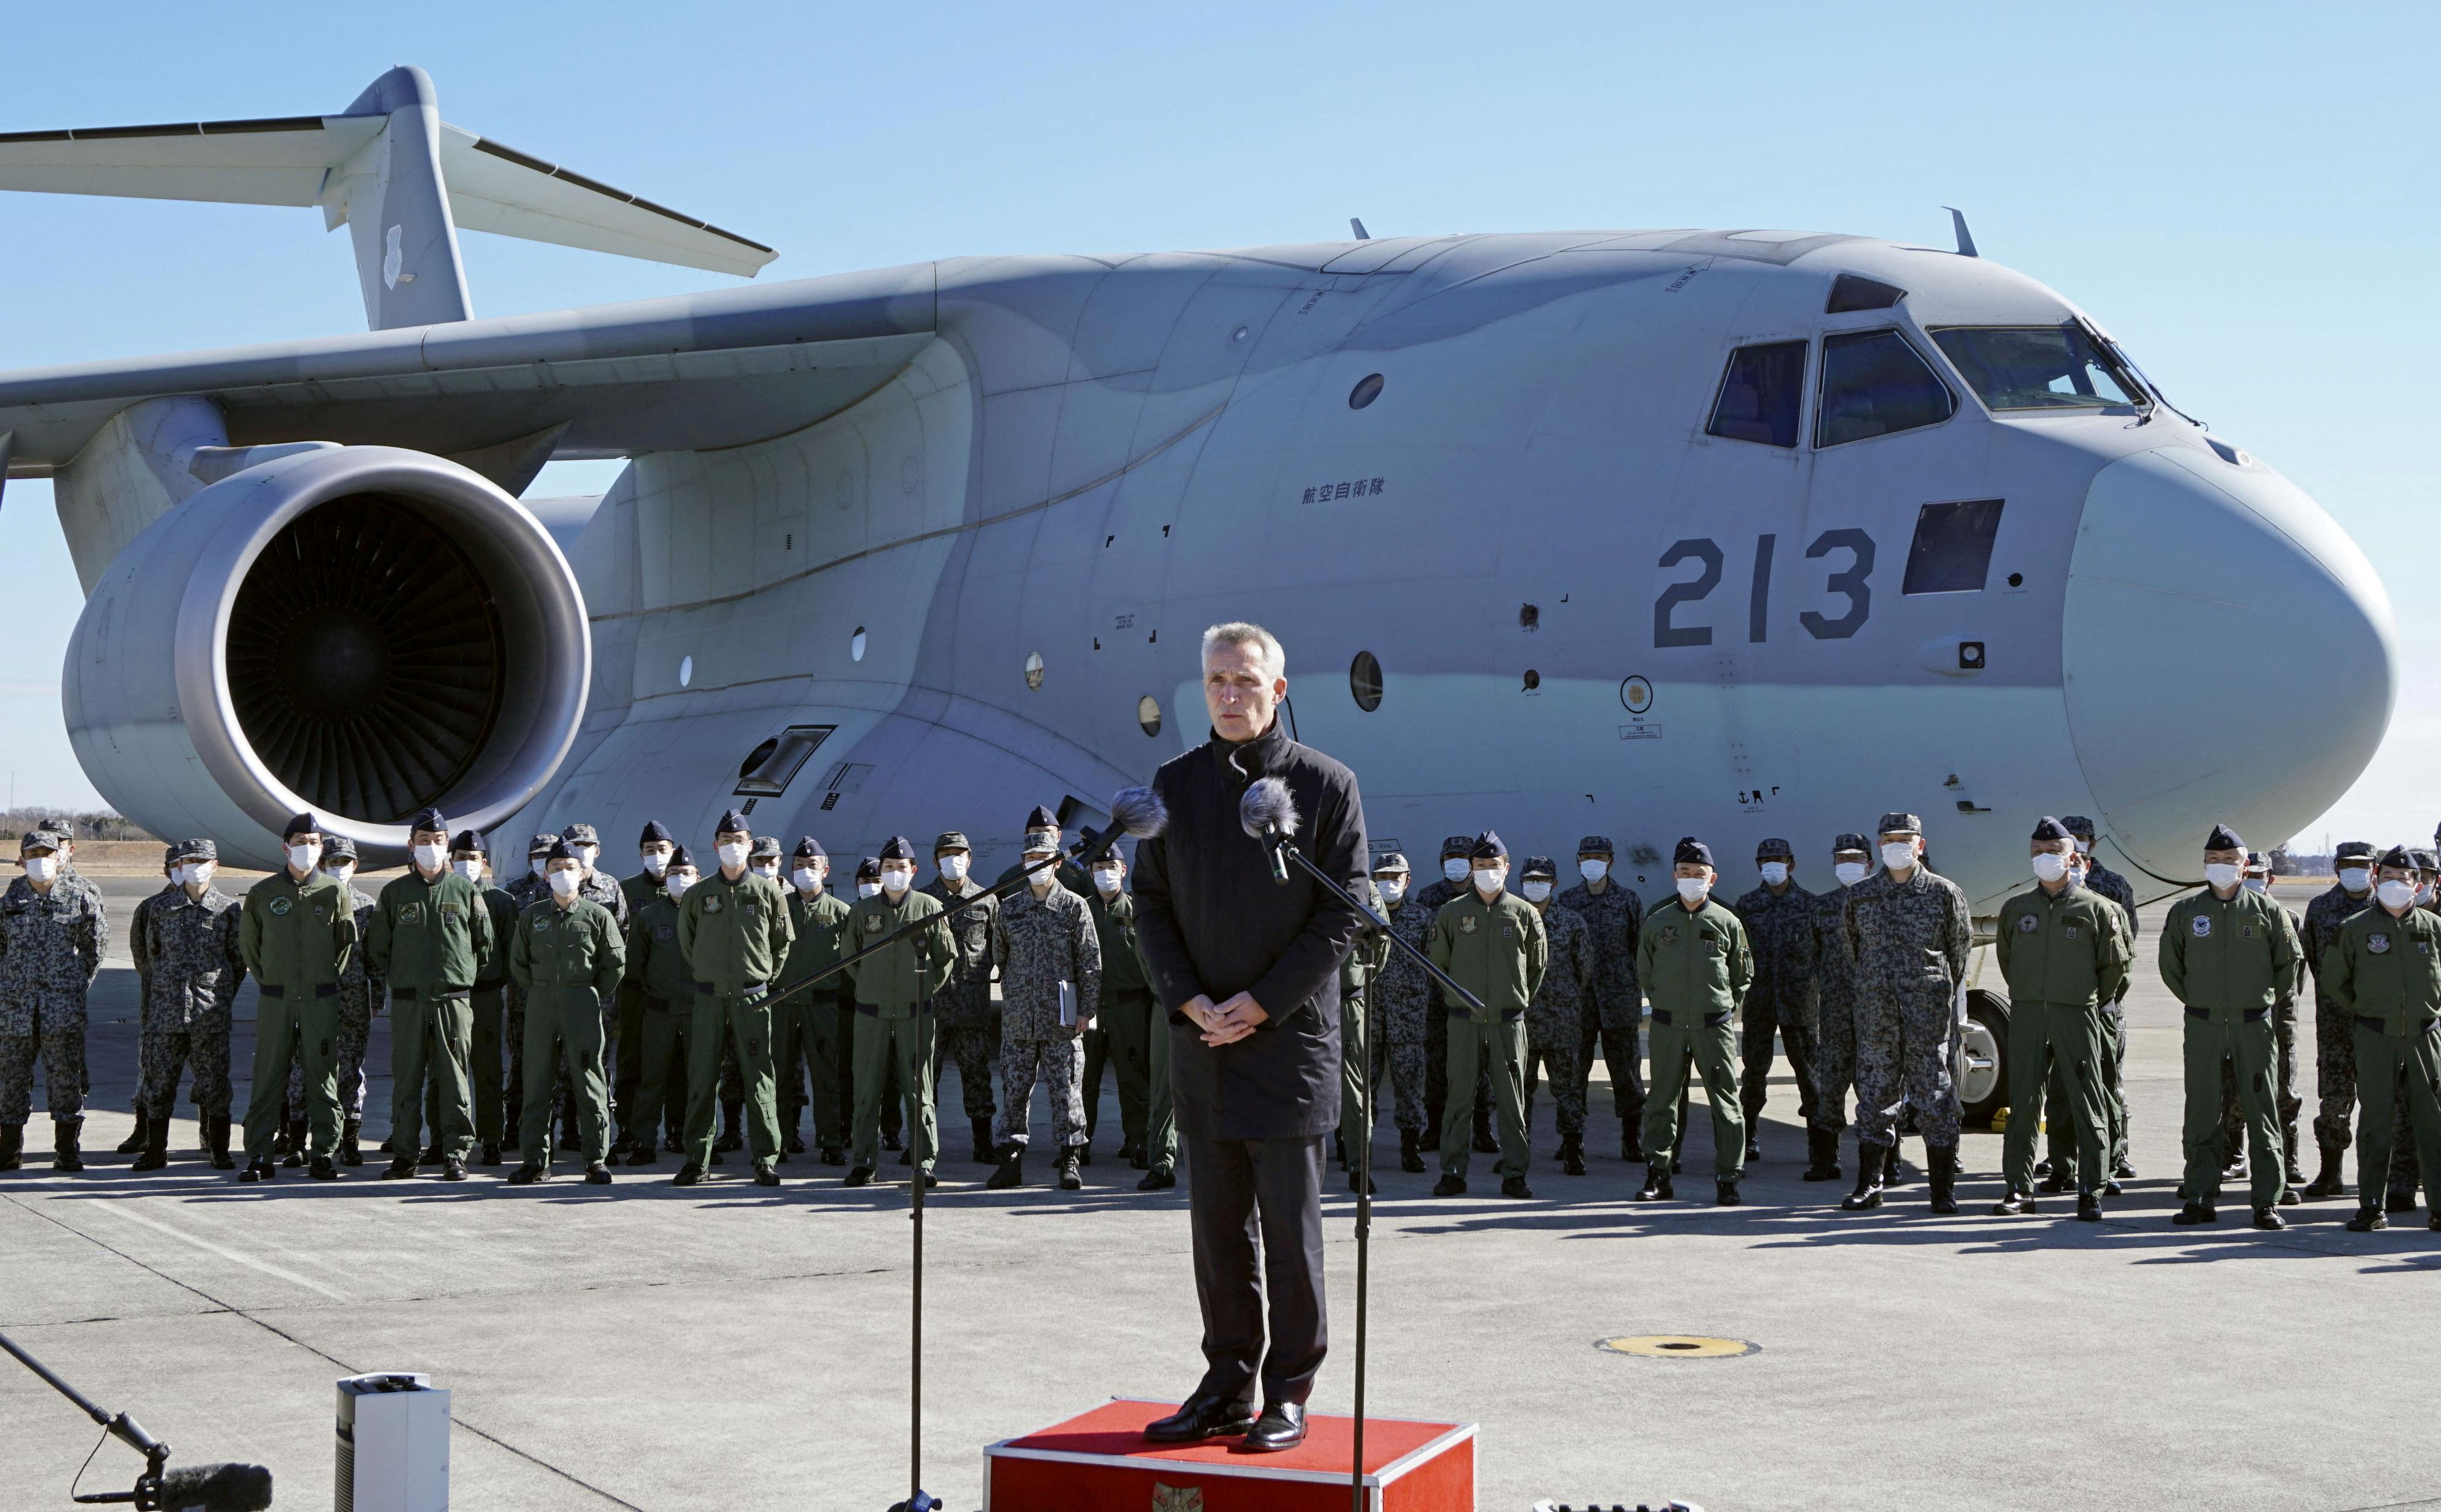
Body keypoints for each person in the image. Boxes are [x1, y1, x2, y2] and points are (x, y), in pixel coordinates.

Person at [1133, 621, 1367, 1454]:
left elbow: (1343, 911)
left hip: (1286, 1042)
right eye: (1216, 682)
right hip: (1204, 1041)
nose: (1229, 695)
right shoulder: (1174, 784)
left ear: (1279, 687)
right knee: (1218, 1228)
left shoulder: (1326, 785)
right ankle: (1226, 1381)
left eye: (1245, 681)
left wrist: (1260, 1003)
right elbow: (1150, 904)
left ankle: (1290, 1390)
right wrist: (1191, 999)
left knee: (1291, 1234)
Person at [2154, 824, 2300, 1228]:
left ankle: (2266, 1199)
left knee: (2262, 1111)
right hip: (2203, 1025)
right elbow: (2171, 966)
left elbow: (2289, 966)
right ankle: (2200, 1194)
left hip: (2253, 1024)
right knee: (2202, 1111)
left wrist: (2259, 999)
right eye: (2215, 861)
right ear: (2205, 864)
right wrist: (2201, 1000)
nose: (2222, 867)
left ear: (2245, 865)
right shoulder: (2186, 912)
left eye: (2230, 861)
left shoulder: (2267, 912)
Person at [1991, 818, 2131, 1221]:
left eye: (2053, 853)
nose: (2044, 859)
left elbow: (2115, 969)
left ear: (2074, 858)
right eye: (2037, 852)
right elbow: (2007, 959)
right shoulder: (2017, 909)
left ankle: (2091, 1190)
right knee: (2024, 1105)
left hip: (2079, 1015)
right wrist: (2032, 994)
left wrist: (2084, 1000)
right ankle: (2019, 1189)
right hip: (2030, 1015)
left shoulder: (2100, 910)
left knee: (2089, 1104)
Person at [1841, 813, 1971, 1212]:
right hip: (1877, 1015)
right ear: (1879, 847)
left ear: (1920, 843)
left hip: (1926, 1020)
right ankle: (1870, 1184)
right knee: (1876, 1098)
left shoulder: (1943, 893)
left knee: (1935, 1098)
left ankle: (1942, 1190)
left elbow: (1959, 953)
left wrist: (1929, 993)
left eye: (1905, 838)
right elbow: (1852, 952)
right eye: (1889, 839)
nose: (1897, 845)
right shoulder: (1862, 895)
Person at [2319, 846, 2441, 1233]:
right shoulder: (2354, 928)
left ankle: (2438, 1206)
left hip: (2425, 1037)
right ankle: (2372, 1206)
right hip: (2376, 1035)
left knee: (2433, 1123)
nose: (2395, 884)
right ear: (2376, 879)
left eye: (2403, 879)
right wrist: (2368, 1009)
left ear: (2417, 884)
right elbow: (2334, 979)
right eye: (2387, 877)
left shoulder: (2434, 928)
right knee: (2375, 1124)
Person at [366, 808, 492, 1182]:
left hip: (453, 1001)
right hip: (408, 1002)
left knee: (453, 1079)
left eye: (438, 841)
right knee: (406, 1080)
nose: (431, 847)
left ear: (447, 845)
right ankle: (406, 1155)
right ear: (411, 846)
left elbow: (483, 947)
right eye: (424, 841)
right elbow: (378, 947)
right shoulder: (394, 893)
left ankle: (454, 1154)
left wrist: (457, 977)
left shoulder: (466, 890)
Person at [674, 810, 794, 1187]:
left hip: (751, 1000)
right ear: (715, 846)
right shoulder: (698, 894)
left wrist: (762, 980)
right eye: (726, 841)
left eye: (739, 841)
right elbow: (688, 944)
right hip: (709, 999)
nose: (732, 847)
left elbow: (782, 943)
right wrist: (710, 976)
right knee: (702, 1077)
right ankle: (697, 1159)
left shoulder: (768, 892)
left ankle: (766, 1159)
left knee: (760, 1078)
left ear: (751, 845)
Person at [1633, 838, 1752, 1206]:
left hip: (1712, 1027)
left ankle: (1728, 1179)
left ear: (1712, 880)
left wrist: (1720, 1007)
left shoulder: (1727, 922)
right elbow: (1646, 972)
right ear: (1674, 877)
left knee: (1726, 1105)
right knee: (1661, 1102)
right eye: (1685, 873)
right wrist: (1666, 1002)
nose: (1692, 879)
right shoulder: (1658, 921)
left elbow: (1742, 976)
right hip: (1668, 1026)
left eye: (1699, 874)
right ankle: (1658, 1176)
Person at [239, 814, 357, 1182]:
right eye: (301, 841)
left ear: (322, 848)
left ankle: (323, 1153)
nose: (308, 848)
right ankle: (260, 1154)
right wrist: (273, 981)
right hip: (277, 998)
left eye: (315, 841)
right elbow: (251, 948)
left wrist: (322, 982)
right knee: (268, 1076)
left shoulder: (334, 892)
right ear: (286, 846)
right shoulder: (263, 893)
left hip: (320, 1000)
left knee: (322, 1075)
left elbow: (344, 946)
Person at [989, 826, 1103, 1191]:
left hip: (1062, 1020)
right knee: (1014, 1090)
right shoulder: (1010, 908)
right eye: (1030, 859)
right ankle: (1010, 1160)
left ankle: (1070, 1158)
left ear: (1056, 863)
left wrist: (1085, 1010)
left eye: (1043, 859)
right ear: (1023, 863)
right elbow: (1000, 956)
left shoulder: (1074, 907)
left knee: (1067, 1090)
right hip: (1020, 1018)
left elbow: (1090, 963)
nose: (1036, 865)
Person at [506, 839, 627, 1185]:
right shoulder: (533, 916)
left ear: (582, 873)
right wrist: (543, 991)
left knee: (589, 1081)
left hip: (583, 1005)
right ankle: (536, 1160)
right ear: (546, 875)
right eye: (557, 868)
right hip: (542, 1005)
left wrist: (589, 994)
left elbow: (615, 964)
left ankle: (595, 1160)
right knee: (537, 1082)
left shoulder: (597, 915)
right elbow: (519, 962)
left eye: (569, 868)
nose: (563, 874)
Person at [840, 838, 953, 1188]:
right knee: (867, 1090)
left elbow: (945, 958)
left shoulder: (929, 907)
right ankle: (863, 1163)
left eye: (901, 868)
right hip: (871, 1014)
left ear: (913, 871)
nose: (894, 874)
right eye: (888, 868)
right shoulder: (862, 912)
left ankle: (923, 1162)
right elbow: (850, 960)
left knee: (918, 1091)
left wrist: (920, 992)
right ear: (881, 872)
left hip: (915, 1014)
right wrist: (872, 988)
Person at [129, 841, 244, 1171]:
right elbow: (151, 957)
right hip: (166, 1012)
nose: (194, 866)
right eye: (188, 861)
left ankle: (219, 1149)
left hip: (209, 1013)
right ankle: (155, 1150)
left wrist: (218, 996)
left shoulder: (227, 910)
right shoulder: (161, 908)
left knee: (215, 1083)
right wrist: (168, 989)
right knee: (159, 1083)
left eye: (201, 860)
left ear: (215, 865)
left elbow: (237, 962)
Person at [0, 827, 108, 1173]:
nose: (41, 861)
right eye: (33, 856)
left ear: (59, 857)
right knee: (10, 1079)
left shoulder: (79, 897)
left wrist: (75, 985)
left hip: (62, 1008)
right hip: (15, 1009)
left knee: (66, 1079)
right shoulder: (10, 900)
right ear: (23, 860)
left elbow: (96, 948)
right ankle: (9, 1151)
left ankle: (66, 1150)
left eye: (47, 855)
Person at [287, 835, 381, 1167]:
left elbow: (376, 958)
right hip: (313, 997)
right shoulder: (309, 899)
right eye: (333, 862)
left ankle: (349, 1141)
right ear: (323, 863)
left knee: (351, 1071)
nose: (338, 868)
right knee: (304, 1067)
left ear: (355, 866)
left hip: (354, 999)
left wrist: (377, 999)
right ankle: (298, 1141)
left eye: (345, 862)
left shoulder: (367, 907)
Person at [1085, 850, 1176, 1187]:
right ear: (1090, 871)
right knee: (1085, 1076)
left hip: (1130, 1006)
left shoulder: (1136, 910)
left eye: (1111, 867)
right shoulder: (1084, 909)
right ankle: (1080, 1142)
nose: (1105, 873)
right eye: (1099, 867)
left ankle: (1138, 1141)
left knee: (1134, 1076)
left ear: (1123, 870)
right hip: (1091, 1005)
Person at [2218, 852, 2306, 1203]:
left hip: (2279, 1021)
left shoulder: (2290, 918)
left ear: (2271, 878)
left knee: (2282, 1092)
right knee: (2233, 1091)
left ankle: (2287, 1162)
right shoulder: (2227, 916)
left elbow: (2295, 976)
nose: (2254, 878)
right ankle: (2233, 1157)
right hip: (2237, 1018)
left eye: (2261, 874)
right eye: (2249, 872)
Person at [1556, 835, 1647, 1163]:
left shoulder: (1627, 900)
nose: (1592, 862)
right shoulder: (1567, 901)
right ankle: (1571, 1139)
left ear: (1610, 861)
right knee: (1572, 1074)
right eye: (1586, 857)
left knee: (1626, 1073)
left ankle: (1632, 1139)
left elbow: (1639, 947)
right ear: (1578, 861)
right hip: (1578, 1002)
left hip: (1618, 1000)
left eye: (1599, 856)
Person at [2060, 816, 2139, 1186]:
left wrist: (2108, 993)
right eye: (2070, 838)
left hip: (2103, 1000)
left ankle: (2117, 1153)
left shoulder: (2114, 885)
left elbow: (2127, 943)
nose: (2076, 843)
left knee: (2110, 1079)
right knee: (2062, 1081)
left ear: (2093, 843)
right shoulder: (2048, 886)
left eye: (2082, 838)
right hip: (2062, 999)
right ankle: (2063, 1158)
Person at [1730, 838, 1818, 1164]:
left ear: (1791, 864)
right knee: (1754, 1073)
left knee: (1810, 1074)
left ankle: (1819, 1141)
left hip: (1800, 1004)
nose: (1772, 866)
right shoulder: (1748, 905)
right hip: (1760, 1002)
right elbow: (1737, 952)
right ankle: (1749, 1135)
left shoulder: (1810, 905)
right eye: (1765, 861)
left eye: (1778, 860)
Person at [2298, 839, 2376, 1200]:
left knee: (2387, 1101)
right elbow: (2314, 960)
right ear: (2336, 868)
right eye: (2348, 864)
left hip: (2381, 1022)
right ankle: (2331, 1173)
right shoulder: (2321, 907)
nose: (2355, 871)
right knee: (2333, 1100)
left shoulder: (2389, 907)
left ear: (2374, 868)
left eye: (2363, 864)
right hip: (2334, 1023)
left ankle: (2386, 1176)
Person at [1415, 834, 1497, 1160]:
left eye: (1463, 857)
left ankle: (1482, 1130)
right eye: (1451, 857)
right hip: (1438, 997)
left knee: (1481, 1065)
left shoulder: (1487, 897)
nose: (1457, 863)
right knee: (1436, 1066)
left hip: (1476, 996)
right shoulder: (1430, 896)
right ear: (1441, 862)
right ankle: (1435, 1127)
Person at [922, 831, 1002, 1164]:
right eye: (946, 854)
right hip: (932, 1005)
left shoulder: (986, 900)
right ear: (935, 860)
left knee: (977, 1075)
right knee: (926, 1077)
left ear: (969, 859)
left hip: (972, 1006)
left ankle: (982, 1143)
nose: (953, 861)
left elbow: (999, 948)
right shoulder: (924, 900)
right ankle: (924, 1145)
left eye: (959, 854)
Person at [779, 837, 854, 1165]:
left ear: (826, 870)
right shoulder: (778, 906)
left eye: (812, 866)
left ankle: (831, 1140)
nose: (805, 871)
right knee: (779, 1075)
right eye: (799, 866)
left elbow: (852, 962)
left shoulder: (841, 912)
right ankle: (778, 1140)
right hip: (783, 1004)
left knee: (827, 1075)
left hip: (823, 1006)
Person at [623, 845, 698, 1166]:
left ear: (698, 877)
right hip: (660, 1010)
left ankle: (690, 1138)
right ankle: (644, 1141)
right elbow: (636, 964)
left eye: (686, 874)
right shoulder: (650, 916)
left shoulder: (709, 912)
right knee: (652, 1077)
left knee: (697, 1078)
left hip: (698, 1010)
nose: (680, 879)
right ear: (665, 879)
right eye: (674, 874)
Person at [1519, 856, 1593, 1176]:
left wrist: (1563, 998)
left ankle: (1573, 1148)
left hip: (1562, 1020)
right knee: (1520, 1089)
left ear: (1555, 883)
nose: (1536, 885)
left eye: (1542, 880)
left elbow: (1584, 968)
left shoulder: (1572, 922)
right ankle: (1518, 1148)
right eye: (1531, 880)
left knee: (1568, 1089)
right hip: (1522, 1021)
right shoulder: (1510, 919)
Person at [1805, 834, 1872, 1183]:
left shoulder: (1881, 902)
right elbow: (1814, 958)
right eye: (1842, 859)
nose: (1849, 865)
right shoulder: (1822, 906)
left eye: (1856, 859)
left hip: (1875, 1013)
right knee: (1830, 1087)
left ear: (1870, 864)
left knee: (1877, 1089)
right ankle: (1825, 1160)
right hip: (1834, 1014)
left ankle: (1885, 1164)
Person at [453, 832, 520, 1166]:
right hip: (451, 996)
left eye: (473, 857)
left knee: (488, 1069)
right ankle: (447, 1138)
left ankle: (491, 1137)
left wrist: (495, 981)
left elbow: (510, 951)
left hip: (486, 994)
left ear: (484, 862)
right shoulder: (444, 896)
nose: (467, 863)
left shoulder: (501, 901)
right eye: (461, 856)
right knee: (448, 1070)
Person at [612, 821, 677, 1159]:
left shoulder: (688, 888)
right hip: (636, 990)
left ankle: (677, 1129)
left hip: (673, 990)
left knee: (676, 1059)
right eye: (650, 851)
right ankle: (627, 1127)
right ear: (641, 854)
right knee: (631, 1059)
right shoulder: (627, 889)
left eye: (663, 850)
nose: (657, 856)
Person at [1369, 853, 1434, 1174]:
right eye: (1382, 877)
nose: (1389, 883)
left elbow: (1435, 966)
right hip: (1368, 1019)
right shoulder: (1361, 916)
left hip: (1407, 1021)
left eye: (1396, 877)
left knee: (1410, 1087)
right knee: (1363, 1087)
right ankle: (1355, 1147)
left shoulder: (1423, 919)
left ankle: (1411, 1147)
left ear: (1408, 880)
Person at [120, 850, 180, 1156]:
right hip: (157, 1007)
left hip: (201, 1009)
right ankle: (142, 1131)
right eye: (177, 865)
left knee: (208, 1074)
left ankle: (209, 1133)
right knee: (151, 1070)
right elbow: (142, 958)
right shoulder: (150, 908)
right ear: (166, 870)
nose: (184, 870)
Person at [1334, 873, 1390, 1192]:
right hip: (1301, 1001)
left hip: (1346, 1000)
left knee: (1354, 1085)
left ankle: (1359, 1164)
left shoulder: (1363, 888)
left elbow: (1380, 942)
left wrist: (1356, 979)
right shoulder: (1293, 876)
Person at [995, 806, 1091, 896]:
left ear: (1058, 836)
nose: (1043, 838)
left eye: (1049, 833)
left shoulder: (1078, 877)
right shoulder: (1009, 879)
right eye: (1037, 833)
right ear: (1026, 836)